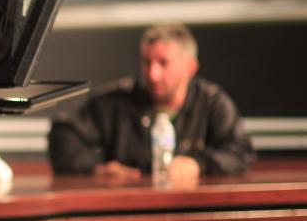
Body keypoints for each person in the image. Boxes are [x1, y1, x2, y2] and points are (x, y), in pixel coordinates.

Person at [47, 24, 254, 183]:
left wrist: (198, 165)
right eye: (147, 62)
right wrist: (95, 168)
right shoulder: (116, 101)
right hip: (127, 211)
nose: (153, 74)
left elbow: (241, 151)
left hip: (191, 213)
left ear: (190, 67)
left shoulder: (211, 102)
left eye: (163, 63)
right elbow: (63, 136)